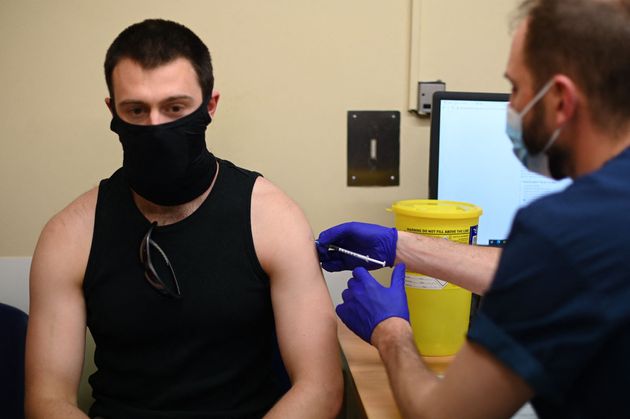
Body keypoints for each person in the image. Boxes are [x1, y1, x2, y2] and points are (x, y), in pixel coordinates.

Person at [317, 0, 630, 417]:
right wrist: (400, 246)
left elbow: (443, 414)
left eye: (516, 89)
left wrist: (390, 331)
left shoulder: (566, 228)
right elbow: (564, 273)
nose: (511, 108)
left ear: (560, 100)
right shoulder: (596, 231)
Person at [25, 19, 342, 419]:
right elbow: (46, 401)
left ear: (210, 106)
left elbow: (322, 387)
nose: (156, 126)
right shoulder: (69, 234)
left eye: (175, 108)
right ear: (113, 111)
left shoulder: (272, 218)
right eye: (136, 110)